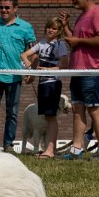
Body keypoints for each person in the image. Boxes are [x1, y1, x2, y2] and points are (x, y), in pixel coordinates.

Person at [59, 0, 99, 161]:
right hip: (78, 70)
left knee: (94, 109)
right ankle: (76, 149)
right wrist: (66, 27)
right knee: (78, 108)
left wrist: (78, 41)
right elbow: (74, 41)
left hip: (93, 70)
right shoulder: (82, 16)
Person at [0, 0, 36, 152]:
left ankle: (8, 145)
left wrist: (31, 70)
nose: (3, 10)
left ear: (15, 8)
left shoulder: (25, 27)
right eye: (1, 7)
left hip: (14, 77)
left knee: (12, 113)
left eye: (7, 8)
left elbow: (33, 50)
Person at [20, 18, 70, 159]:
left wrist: (46, 69)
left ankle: (50, 150)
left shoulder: (60, 44)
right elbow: (24, 55)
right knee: (47, 117)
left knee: (51, 117)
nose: (50, 30)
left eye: (53, 28)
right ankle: (46, 149)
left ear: (59, 31)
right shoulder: (40, 43)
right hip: (42, 84)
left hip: (53, 83)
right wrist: (30, 68)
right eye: (48, 27)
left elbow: (64, 65)